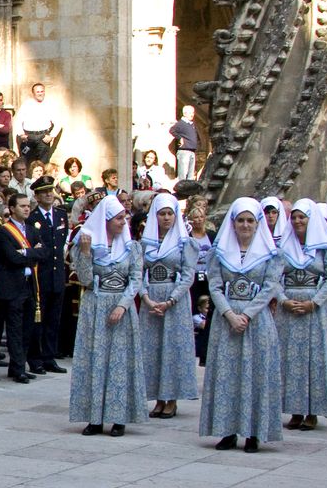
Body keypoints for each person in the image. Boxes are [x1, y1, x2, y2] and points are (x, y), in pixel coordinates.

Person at [201, 198, 286, 452]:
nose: (245, 225)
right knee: (227, 374)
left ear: (258, 223)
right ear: (233, 223)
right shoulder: (220, 252)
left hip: (256, 320)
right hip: (226, 320)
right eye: (241, 220)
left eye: (250, 220)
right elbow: (215, 286)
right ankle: (227, 430)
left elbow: (270, 287)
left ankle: (253, 432)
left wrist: (247, 315)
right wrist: (229, 314)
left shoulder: (270, 253)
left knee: (255, 374)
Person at [68, 192, 144, 436]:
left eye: (124, 218)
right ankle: (95, 417)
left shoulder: (132, 247)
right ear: (106, 220)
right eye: (119, 218)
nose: (123, 222)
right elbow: (85, 279)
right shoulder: (88, 243)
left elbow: (136, 279)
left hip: (121, 306)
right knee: (95, 360)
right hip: (96, 305)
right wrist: (85, 253)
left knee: (120, 361)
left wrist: (122, 305)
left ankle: (119, 416)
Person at [275, 198, 327, 431]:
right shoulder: (284, 246)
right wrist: (283, 300)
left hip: (315, 308)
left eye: (302, 217)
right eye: (294, 217)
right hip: (289, 307)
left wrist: (314, 302)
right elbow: (273, 277)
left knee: (315, 357)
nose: (297, 221)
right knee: (290, 357)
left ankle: (313, 410)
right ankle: (294, 409)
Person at [138, 192, 199, 419]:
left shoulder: (184, 242)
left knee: (172, 348)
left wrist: (171, 300)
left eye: (169, 214)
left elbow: (188, 275)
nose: (166, 218)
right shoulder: (145, 243)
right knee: (152, 348)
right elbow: (138, 273)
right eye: (161, 214)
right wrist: (146, 298)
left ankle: (171, 398)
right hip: (151, 299)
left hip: (174, 301)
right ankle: (157, 398)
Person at [0, 189, 45, 384]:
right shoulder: (4, 231)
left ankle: (17, 366)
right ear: (12, 209)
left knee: (27, 328)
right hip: (12, 285)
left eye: (28, 206)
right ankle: (18, 369)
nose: (27, 209)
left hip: (30, 284)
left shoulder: (32, 229)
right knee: (14, 328)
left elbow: (44, 252)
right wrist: (31, 252)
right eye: (22, 206)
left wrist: (24, 252)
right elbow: (11, 257)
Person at [26, 176, 70, 373]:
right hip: (40, 275)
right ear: (36, 196)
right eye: (43, 192)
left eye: (50, 191)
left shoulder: (61, 214)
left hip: (57, 274)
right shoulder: (32, 218)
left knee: (53, 319)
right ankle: (35, 358)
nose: (48, 195)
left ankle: (49, 357)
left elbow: (60, 245)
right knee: (38, 319)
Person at [15, 80, 59, 163]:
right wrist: (21, 134)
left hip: (43, 138)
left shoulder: (49, 105)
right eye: (38, 92)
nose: (40, 93)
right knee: (25, 161)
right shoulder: (26, 105)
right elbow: (18, 120)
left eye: (42, 91)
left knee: (43, 163)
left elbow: (58, 122)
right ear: (33, 93)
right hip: (28, 138)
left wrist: (51, 136)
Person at [169, 104, 201, 182]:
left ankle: (189, 188)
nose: (192, 114)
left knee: (190, 175)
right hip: (184, 151)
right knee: (183, 175)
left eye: (193, 112)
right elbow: (172, 130)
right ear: (185, 113)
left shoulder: (192, 124)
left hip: (192, 151)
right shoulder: (181, 123)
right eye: (190, 113)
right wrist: (180, 138)